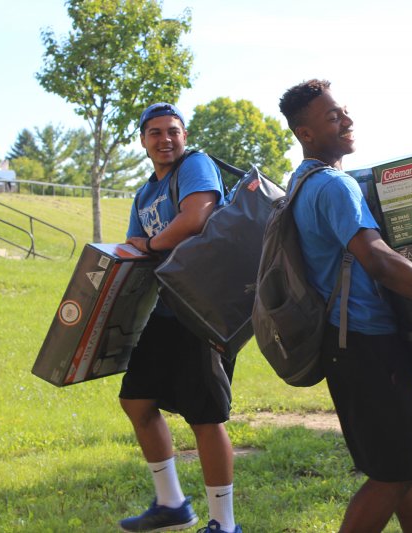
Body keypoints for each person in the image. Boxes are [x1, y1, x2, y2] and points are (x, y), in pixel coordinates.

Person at [278, 79, 412, 533]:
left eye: (344, 112)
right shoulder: (334, 186)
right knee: (391, 477)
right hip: (367, 348)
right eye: (334, 117)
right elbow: (378, 261)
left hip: (348, 346)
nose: (348, 121)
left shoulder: (301, 183)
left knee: (407, 470)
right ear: (306, 133)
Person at [120, 102, 241, 533]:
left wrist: (152, 245)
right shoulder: (145, 192)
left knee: (204, 415)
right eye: (155, 132)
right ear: (143, 141)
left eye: (173, 130)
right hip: (167, 307)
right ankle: (171, 504)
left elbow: (196, 218)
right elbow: (134, 241)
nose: (165, 139)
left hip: (205, 308)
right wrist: (147, 244)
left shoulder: (196, 165)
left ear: (184, 136)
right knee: (136, 399)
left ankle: (224, 524)